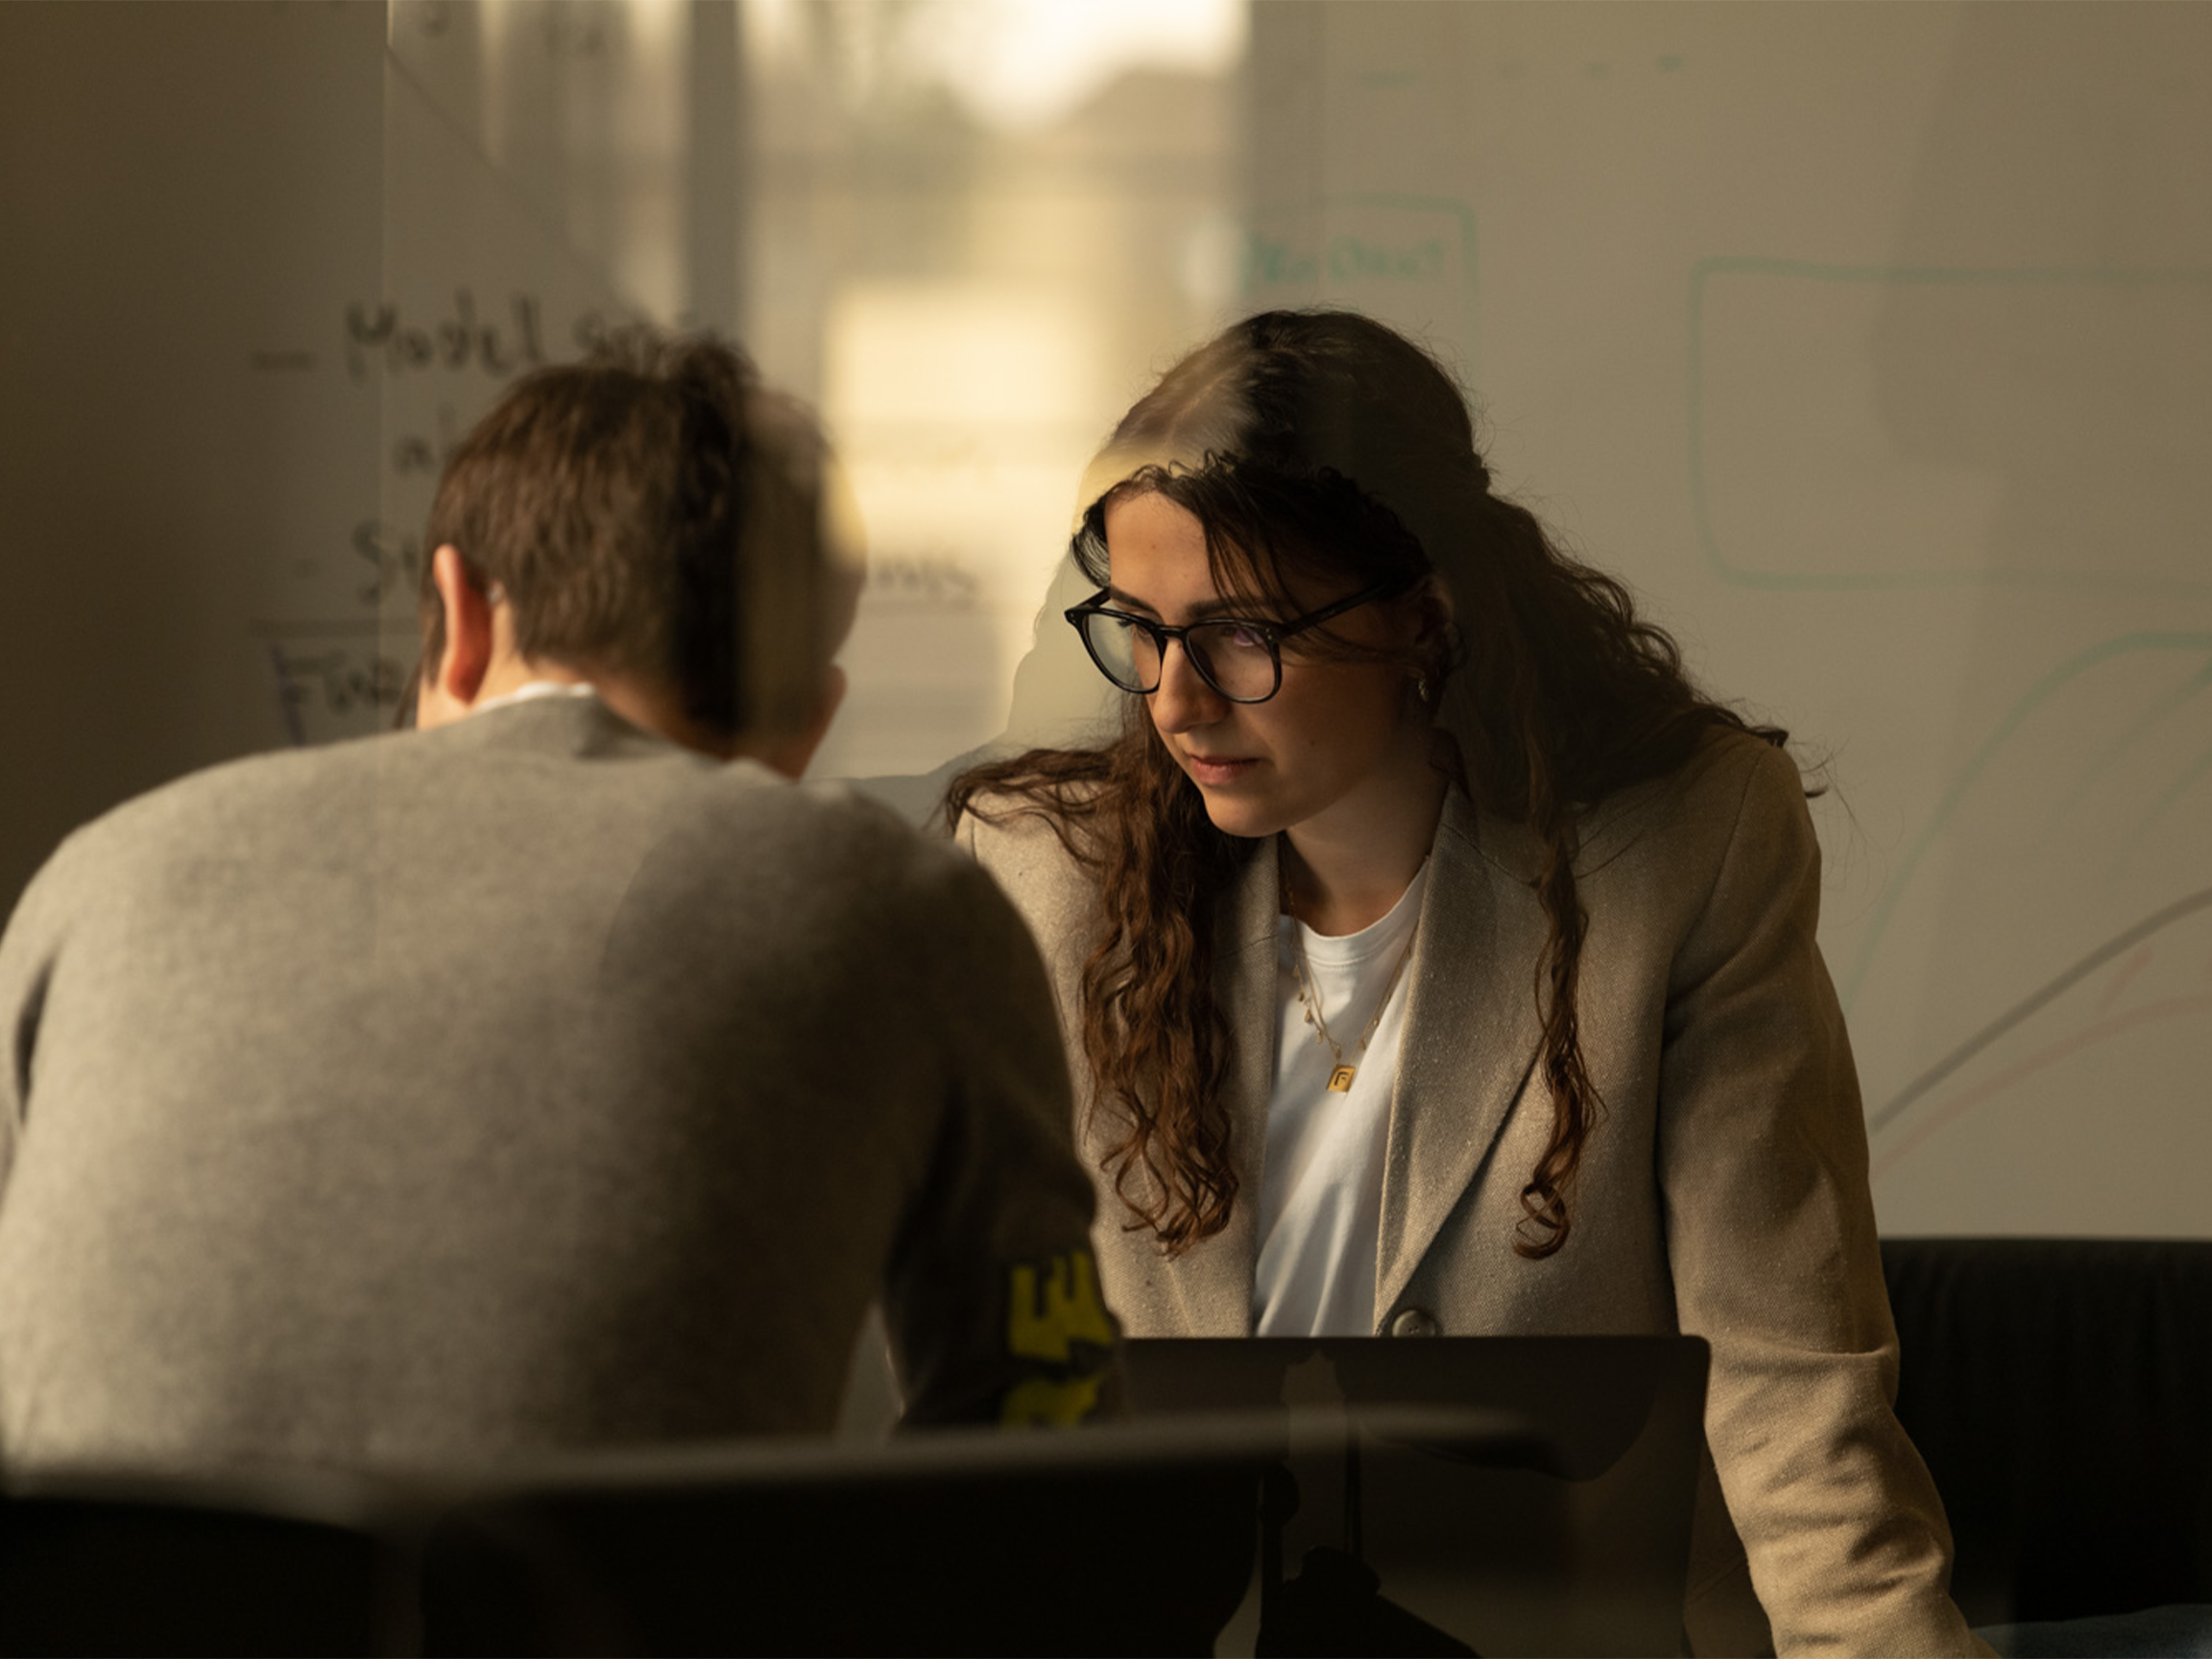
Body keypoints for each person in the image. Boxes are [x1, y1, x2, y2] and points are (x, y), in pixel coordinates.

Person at [949, 309, 1984, 1654]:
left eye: (1241, 635)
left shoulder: (1676, 852)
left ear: (1420, 616)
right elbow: (989, 1398)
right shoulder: (1047, 876)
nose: (1175, 700)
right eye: (1140, 630)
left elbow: (1787, 1383)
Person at [0, 331, 1115, 1472]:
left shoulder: (99, 880)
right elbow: (1039, 1450)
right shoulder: (904, 909)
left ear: (460, 613)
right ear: (811, 718)